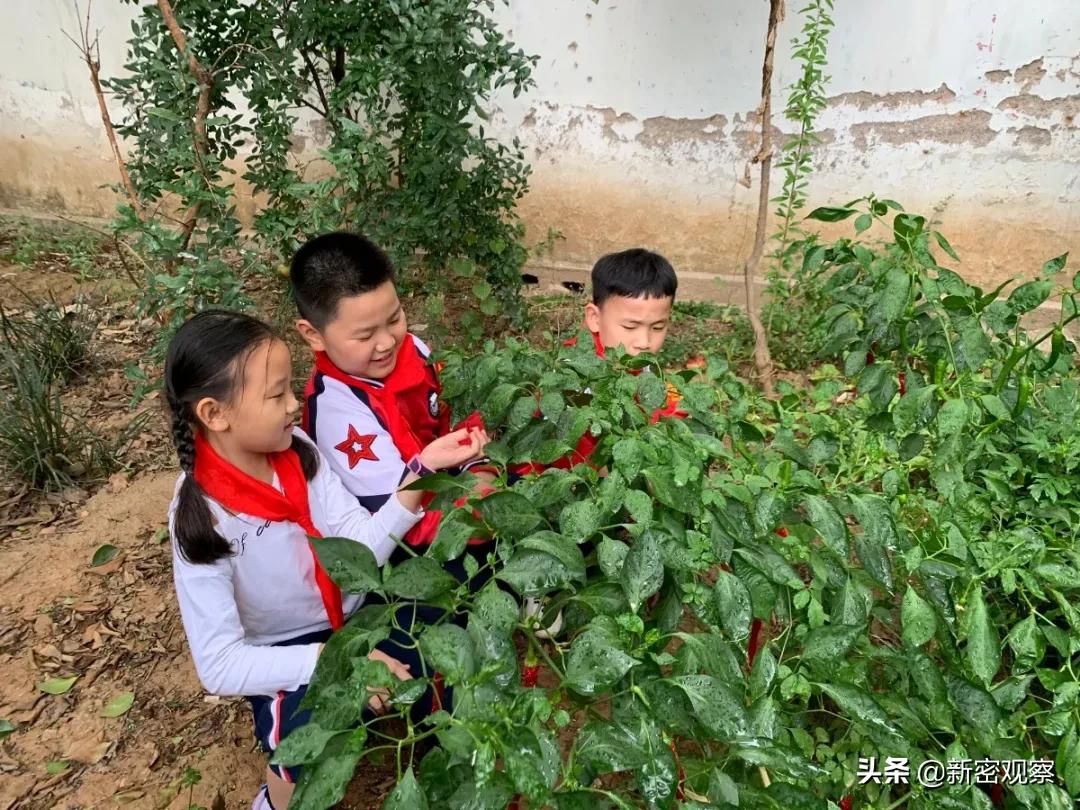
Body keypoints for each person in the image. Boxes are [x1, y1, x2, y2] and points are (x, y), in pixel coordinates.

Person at [164, 309, 487, 810]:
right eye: (276, 396)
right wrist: (337, 663)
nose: (296, 404)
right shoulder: (203, 519)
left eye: (290, 387)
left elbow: (358, 548)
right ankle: (274, 801)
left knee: (456, 597)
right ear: (214, 414)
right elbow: (220, 664)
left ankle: (418, 711)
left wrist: (419, 474)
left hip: (357, 614)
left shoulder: (300, 452)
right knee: (310, 743)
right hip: (289, 648)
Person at [290, 232, 496, 577]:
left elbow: (458, 413)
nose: (387, 342)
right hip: (410, 537)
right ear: (313, 335)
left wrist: (483, 470)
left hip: (457, 489)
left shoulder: (412, 348)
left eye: (395, 319)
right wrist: (487, 510)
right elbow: (400, 520)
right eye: (365, 335)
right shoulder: (337, 414)